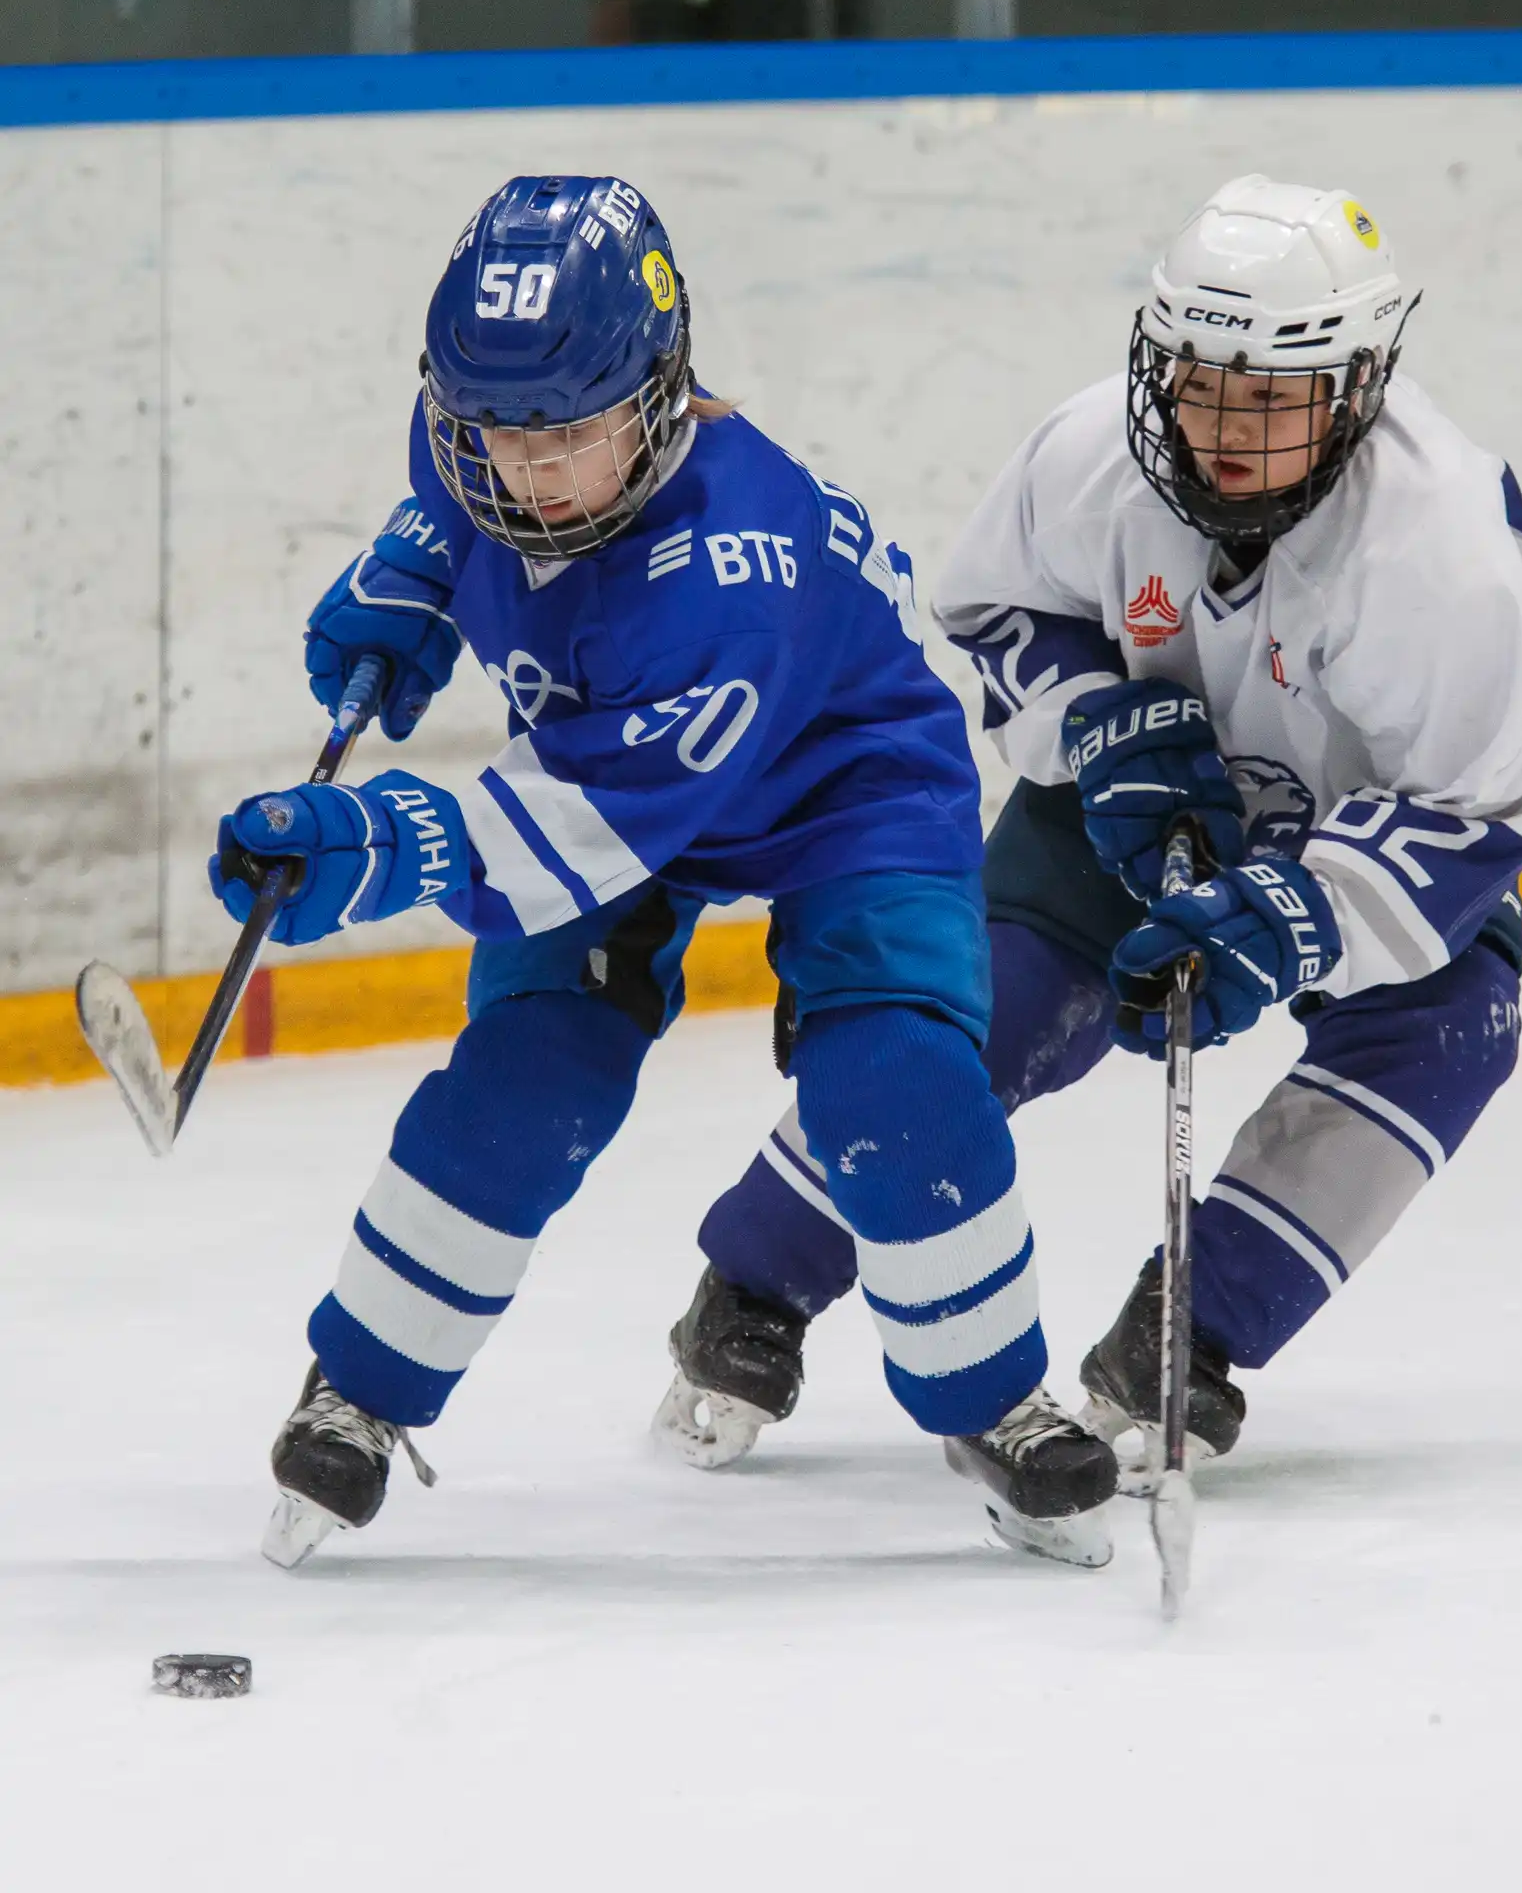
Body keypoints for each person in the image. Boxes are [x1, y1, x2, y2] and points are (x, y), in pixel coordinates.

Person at [211, 172, 1121, 1571]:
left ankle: (996, 1399)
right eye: (493, 431)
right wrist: (411, 579)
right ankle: (361, 1388)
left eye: (567, 434)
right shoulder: (491, 420)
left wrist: (373, 840)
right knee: (531, 1078)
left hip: (844, 788)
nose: (526, 471)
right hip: (617, 754)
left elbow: (568, 832)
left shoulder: (728, 579)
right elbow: (451, 500)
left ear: (663, 396)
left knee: (894, 1084)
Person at [656, 173, 1522, 1491]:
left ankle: (1190, 1333)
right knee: (983, 1008)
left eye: (1271, 395)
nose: (1224, 427)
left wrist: (1297, 913)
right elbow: (991, 614)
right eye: (1200, 382)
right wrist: (1095, 719)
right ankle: (753, 1281)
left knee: (1447, 1034)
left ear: (1358, 382)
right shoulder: (1092, 454)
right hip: (1122, 818)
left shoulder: (1442, 548)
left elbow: (1474, 806)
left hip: (1348, 843)